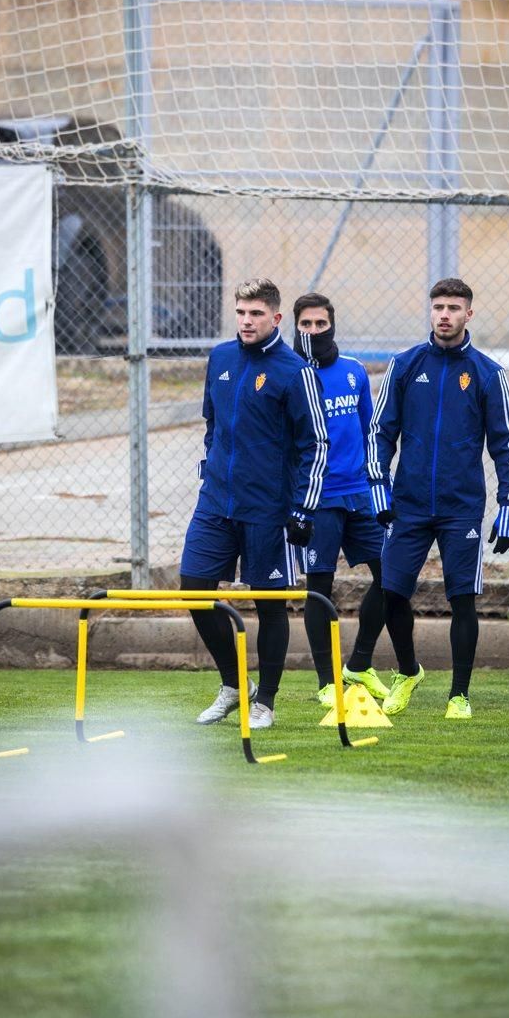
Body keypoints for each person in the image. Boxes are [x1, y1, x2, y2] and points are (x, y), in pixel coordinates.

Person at [367, 277, 509, 719]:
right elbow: (380, 432)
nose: (444, 315)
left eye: (454, 308)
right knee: (391, 592)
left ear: (468, 314)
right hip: (408, 504)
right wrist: (378, 483)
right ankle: (407, 670)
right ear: (430, 310)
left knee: (462, 599)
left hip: (461, 507)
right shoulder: (404, 365)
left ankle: (459, 695)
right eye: (438, 306)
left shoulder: (487, 373)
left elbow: (506, 443)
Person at [180, 278, 329, 729]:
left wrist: (303, 508)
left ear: (276, 318)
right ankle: (233, 685)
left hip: (270, 510)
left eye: (256, 314)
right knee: (193, 587)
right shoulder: (221, 357)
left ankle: (265, 700)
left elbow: (316, 444)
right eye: (242, 312)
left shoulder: (294, 369)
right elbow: (212, 423)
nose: (246, 321)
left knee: (269, 603)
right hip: (216, 503)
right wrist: (214, 469)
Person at [291, 292, 393, 709]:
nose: (314, 331)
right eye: (305, 325)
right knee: (320, 589)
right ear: (294, 327)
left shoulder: (353, 371)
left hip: (360, 495)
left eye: (320, 324)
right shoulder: (291, 375)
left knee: (392, 576)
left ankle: (359, 664)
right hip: (319, 499)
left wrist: (378, 485)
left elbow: (371, 433)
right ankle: (326, 682)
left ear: (332, 325)